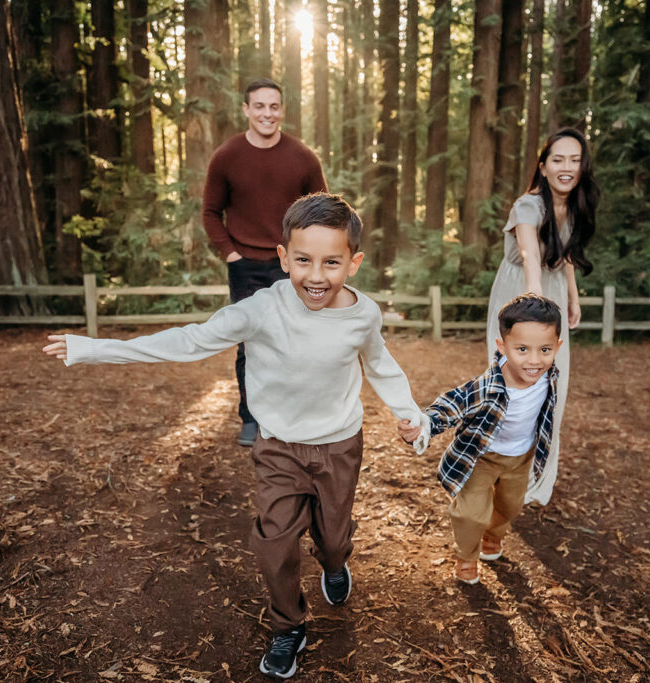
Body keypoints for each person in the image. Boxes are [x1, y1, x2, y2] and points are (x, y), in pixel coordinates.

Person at [43, 193, 430, 680]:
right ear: (283, 256)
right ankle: (289, 625)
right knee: (274, 543)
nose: (316, 276)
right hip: (279, 449)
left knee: (332, 538)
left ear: (353, 263)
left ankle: (334, 563)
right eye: (303, 260)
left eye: (331, 262)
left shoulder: (364, 314)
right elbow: (188, 340)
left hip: (339, 446)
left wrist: (409, 412)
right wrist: (94, 349)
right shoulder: (261, 309)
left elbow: (381, 365)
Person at [399, 294, 562, 584]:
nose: (534, 360)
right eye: (522, 349)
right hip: (480, 457)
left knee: (510, 507)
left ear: (557, 347)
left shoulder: (549, 377)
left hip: (520, 458)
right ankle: (466, 556)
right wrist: (424, 425)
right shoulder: (487, 386)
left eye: (545, 349)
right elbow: (453, 403)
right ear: (502, 346)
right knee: (471, 512)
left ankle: (493, 534)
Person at [203, 77, 328, 447]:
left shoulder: (303, 157)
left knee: (298, 340)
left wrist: (308, 257)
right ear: (246, 110)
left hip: (293, 265)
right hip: (245, 265)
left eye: (273, 106)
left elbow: (322, 211)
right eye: (259, 106)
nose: (267, 113)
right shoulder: (227, 156)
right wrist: (231, 253)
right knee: (251, 344)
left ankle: (295, 416)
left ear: (282, 110)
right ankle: (251, 418)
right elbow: (211, 212)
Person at [485, 127, 599, 506]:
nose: (567, 167)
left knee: (553, 387)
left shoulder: (574, 204)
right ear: (543, 166)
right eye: (558, 160)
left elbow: (563, 256)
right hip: (518, 294)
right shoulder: (528, 206)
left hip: (550, 292)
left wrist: (572, 297)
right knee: (516, 387)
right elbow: (531, 255)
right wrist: (534, 306)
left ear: (583, 166)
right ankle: (500, 476)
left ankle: (534, 480)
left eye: (574, 159)